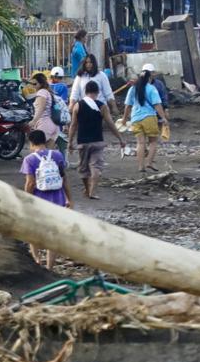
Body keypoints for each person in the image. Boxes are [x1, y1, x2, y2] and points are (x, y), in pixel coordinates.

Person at [70, 77, 127, 200]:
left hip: (82, 141)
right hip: (97, 141)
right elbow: (111, 124)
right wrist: (120, 139)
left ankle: (86, 189)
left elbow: (73, 125)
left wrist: (70, 142)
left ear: (85, 91)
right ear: (97, 92)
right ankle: (92, 191)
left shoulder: (77, 106)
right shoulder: (102, 106)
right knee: (95, 167)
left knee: (83, 168)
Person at [21, 129, 68, 269]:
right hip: (57, 198)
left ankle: (37, 259)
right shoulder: (57, 155)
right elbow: (64, 179)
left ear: (31, 143)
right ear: (44, 141)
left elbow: (30, 183)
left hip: (38, 201)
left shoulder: (29, 159)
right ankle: (50, 267)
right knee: (53, 234)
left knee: (33, 232)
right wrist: (69, 198)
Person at [126, 65, 169, 172]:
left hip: (135, 118)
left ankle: (141, 166)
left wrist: (123, 118)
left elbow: (128, 105)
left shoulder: (133, 88)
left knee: (140, 143)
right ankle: (149, 162)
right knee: (153, 141)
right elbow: (157, 105)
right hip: (149, 117)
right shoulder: (151, 88)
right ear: (149, 78)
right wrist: (163, 118)